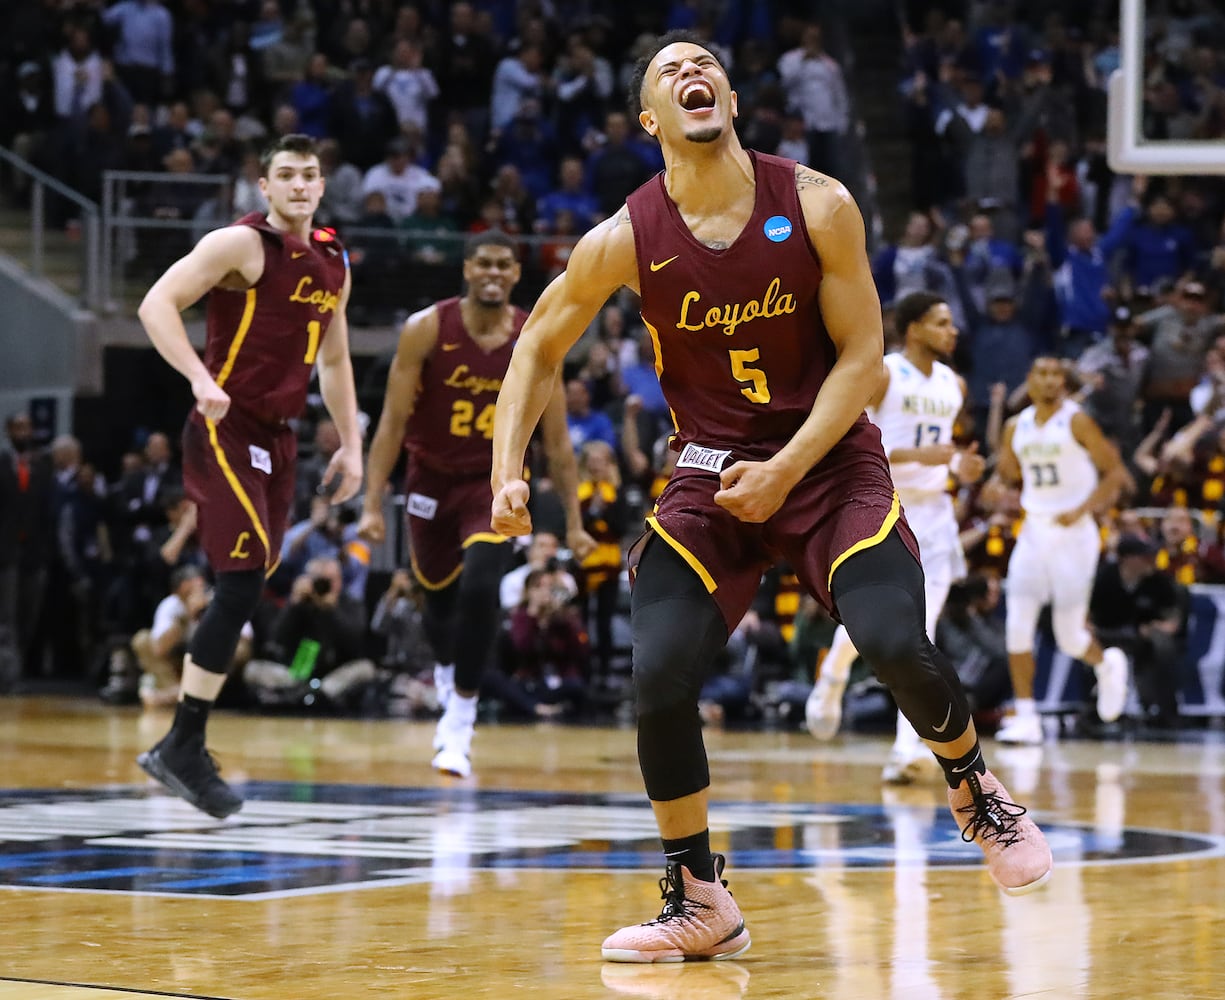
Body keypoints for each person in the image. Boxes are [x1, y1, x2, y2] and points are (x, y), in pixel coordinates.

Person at [490, 31, 1052, 964]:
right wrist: (508, 465)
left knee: (891, 643)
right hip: (708, 477)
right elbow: (537, 348)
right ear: (648, 119)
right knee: (657, 674)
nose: (691, 73)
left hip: (826, 467)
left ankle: (973, 787)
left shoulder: (818, 204)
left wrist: (788, 466)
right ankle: (700, 898)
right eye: (669, 72)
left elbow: (864, 360)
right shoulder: (624, 237)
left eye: (704, 64)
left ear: (734, 100)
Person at [134, 133, 364, 819]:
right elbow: (156, 304)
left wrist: (351, 444)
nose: (299, 185)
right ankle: (181, 744)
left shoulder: (332, 257)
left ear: (322, 184)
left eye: (309, 174)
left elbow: (337, 362)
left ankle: (180, 744)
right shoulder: (240, 244)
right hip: (225, 425)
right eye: (286, 175)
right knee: (239, 581)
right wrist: (200, 379)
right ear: (263, 187)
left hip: (281, 438)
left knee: (249, 581)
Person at [358, 230, 594, 779]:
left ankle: (460, 719)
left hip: (496, 484)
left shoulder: (536, 336)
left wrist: (576, 523)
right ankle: (447, 673)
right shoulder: (425, 330)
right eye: (483, 263)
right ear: (467, 269)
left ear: (516, 274)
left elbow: (557, 442)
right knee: (437, 603)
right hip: (429, 479)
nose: (492, 272)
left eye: (503, 265)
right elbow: (392, 424)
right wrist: (372, 503)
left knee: (483, 587)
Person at [805, 291, 985, 785]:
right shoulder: (883, 373)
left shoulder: (955, 383)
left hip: (937, 517)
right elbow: (847, 436)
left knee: (918, 637)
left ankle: (908, 750)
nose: (953, 331)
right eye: (942, 322)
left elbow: (944, 449)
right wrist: (926, 458)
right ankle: (835, 673)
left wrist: (960, 465)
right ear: (913, 328)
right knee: (879, 625)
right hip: (884, 507)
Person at [984, 357, 1131, 745]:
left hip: (1075, 534)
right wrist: (997, 488)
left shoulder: (1077, 420)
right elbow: (1008, 474)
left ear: (1063, 382)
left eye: (1055, 375)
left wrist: (1084, 508)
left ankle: (1108, 663)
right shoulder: (1017, 426)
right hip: (1033, 530)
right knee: (1017, 622)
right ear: (1030, 381)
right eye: (1041, 374)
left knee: (1068, 636)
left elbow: (1115, 473)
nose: (1049, 381)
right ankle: (1027, 716)